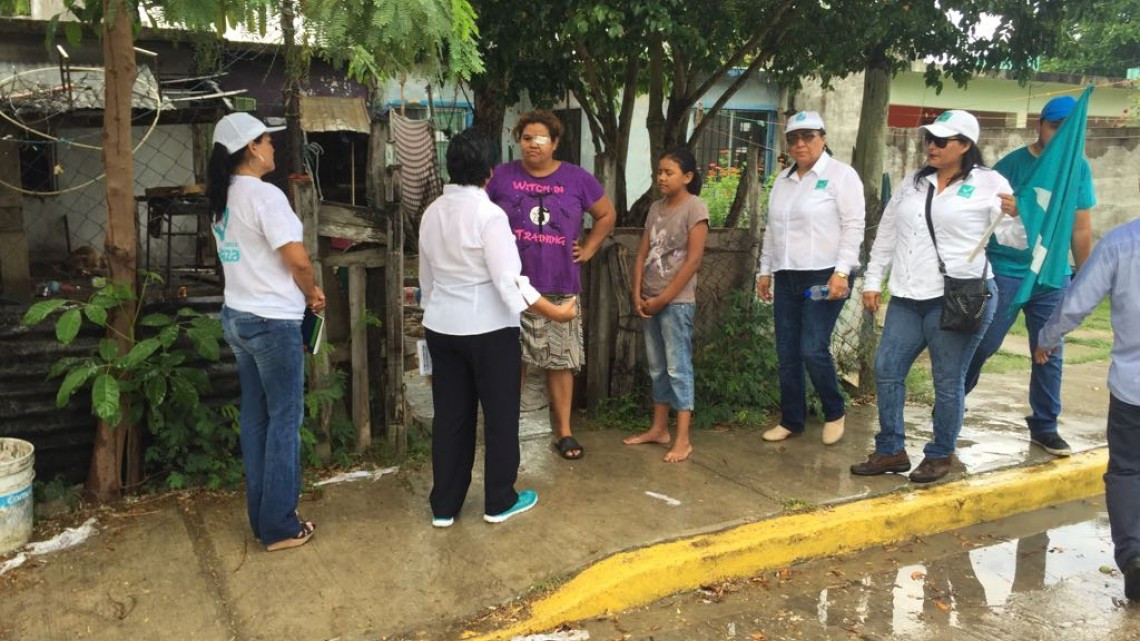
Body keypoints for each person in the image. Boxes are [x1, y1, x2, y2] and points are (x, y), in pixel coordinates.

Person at [852, 110, 1025, 483]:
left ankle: (939, 453)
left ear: (964, 145)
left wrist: (1014, 215)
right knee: (887, 368)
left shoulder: (989, 182)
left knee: (947, 379)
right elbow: (887, 231)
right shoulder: (914, 181)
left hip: (958, 297)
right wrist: (872, 280)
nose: (931, 145)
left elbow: (1014, 241)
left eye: (941, 140)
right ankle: (891, 449)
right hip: (907, 295)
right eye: (929, 138)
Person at [419, 128, 578, 528]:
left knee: (450, 416)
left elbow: (427, 279)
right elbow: (509, 281)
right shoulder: (489, 215)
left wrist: (433, 314)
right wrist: (555, 313)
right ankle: (499, 500)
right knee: (500, 415)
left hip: (442, 326)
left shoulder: (432, 212)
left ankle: (444, 505)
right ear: (489, 171)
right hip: (488, 330)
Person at [207, 112, 325, 552]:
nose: (273, 146)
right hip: (272, 321)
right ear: (252, 148)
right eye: (268, 140)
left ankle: (262, 518)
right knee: (285, 420)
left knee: (256, 417)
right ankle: (278, 526)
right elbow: (297, 259)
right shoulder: (265, 196)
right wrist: (312, 291)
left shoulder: (222, 197)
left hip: (238, 316)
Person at [963, 95, 1097, 458]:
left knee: (1049, 350)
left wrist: (1085, 276)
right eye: (1054, 127)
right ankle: (952, 405)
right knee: (982, 343)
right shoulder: (1012, 165)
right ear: (1040, 125)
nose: (1060, 135)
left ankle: (1045, 426)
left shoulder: (1078, 169)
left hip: (1051, 275)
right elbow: (985, 216)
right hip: (1006, 271)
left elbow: (1081, 228)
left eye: (1068, 129)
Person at [486, 110, 616, 461]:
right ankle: (506, 430)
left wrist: (588, 248)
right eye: (527, 138)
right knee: (510, 363)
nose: (533, 144)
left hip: (559, 285)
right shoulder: (501, 176)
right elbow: (478, 216)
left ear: (555, 142)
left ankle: (564, 432)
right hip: (510, 288)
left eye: (541, 138)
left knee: (559, 362)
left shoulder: (577, 178)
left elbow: (606, 214)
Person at [1033, 215, 1140, 600]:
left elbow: (1077, 301)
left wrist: (1048, 337)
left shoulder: (1121, 242)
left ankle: (1134, 556)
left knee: (1127, 470)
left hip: (1132, 389)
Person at [756, 111, 865, 445]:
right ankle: (792, 420)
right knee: (787, 351)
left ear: (823, 137)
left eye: (808, 136)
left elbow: (853, 226)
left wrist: (842, 271)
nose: (800, 144)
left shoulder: (841, 176)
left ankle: (835, 411)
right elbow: (772, 229)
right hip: (787, 274)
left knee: (812, 348)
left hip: (825, 275)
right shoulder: (783, 180)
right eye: (793, 138)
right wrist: (765, 270)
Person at [622, 148, 710, 463]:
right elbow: (642, 254)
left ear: (687, 176)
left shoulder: (695, 207)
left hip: (676, 303)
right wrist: (636, 293)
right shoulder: (655, 208)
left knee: (678, 368)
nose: (661, 177)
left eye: (668, 172)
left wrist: (663, 299)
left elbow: (693, 260)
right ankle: (659, 429)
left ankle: (683, 439)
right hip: (649, 299)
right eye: (659, 171)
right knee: (657, 367)